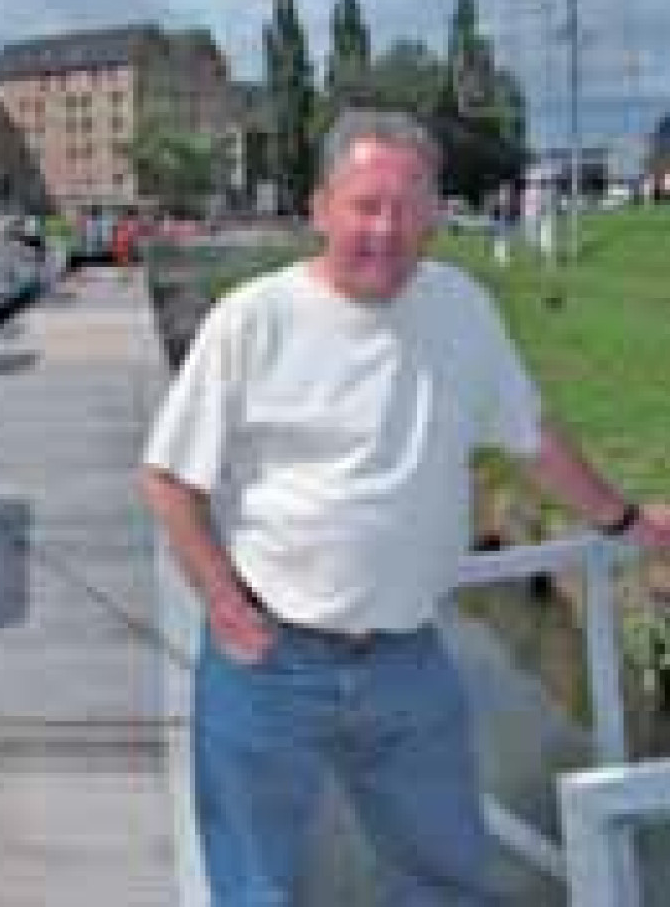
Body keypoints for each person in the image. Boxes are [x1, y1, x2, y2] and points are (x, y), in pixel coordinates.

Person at [140, 107, 670, 906]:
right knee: (256, 889)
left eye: (407, 207)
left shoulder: (461, 309)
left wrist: (629, 524)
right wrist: (220, 597)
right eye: (365, 205)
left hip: (406, 662)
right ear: (321, 208)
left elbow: (533, 441)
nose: (386, 229)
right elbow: (170, 478)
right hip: (268, 661)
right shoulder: (252, 319)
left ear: (432, 212)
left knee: (446, 883)